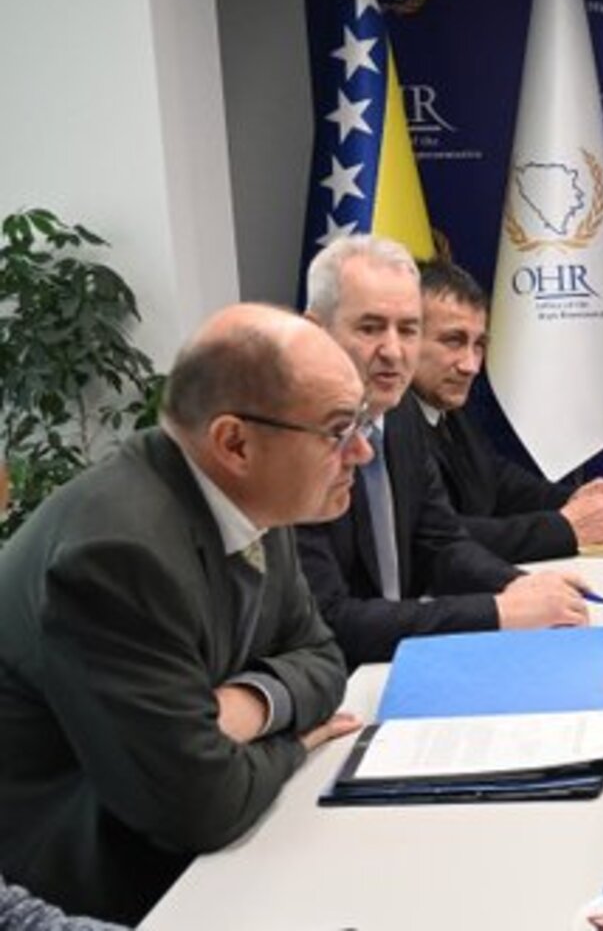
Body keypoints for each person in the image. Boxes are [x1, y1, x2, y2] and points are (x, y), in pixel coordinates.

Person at [0, 305, 362, 923]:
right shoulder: (115, 553)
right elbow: (201, 807)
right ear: (235, 443)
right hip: (109, 886)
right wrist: (298, 742)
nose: (362, 450)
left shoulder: (255, 499)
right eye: (337, 431)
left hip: (218, 847)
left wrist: (249, 705)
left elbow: (324, 658)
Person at [296, 236, 594, 667]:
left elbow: (440, 543)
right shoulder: (289, 440)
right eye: (370, 328)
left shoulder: (400, 414)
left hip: (397, 664)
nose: (394, 352)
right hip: (333, 679)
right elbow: (331, 621)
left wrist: (518, 585)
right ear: (316, 331)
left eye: (408, 330)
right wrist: (498, 611)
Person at [412, 261, 603, 563]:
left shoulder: (446, 406)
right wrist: (564, 527)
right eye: (453, 341)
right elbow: (434, 536)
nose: (471, 366)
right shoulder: (389, 424)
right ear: (406, 337)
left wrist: (573, 500)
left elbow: (495, 479)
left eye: (479, 345)